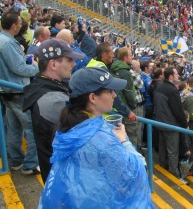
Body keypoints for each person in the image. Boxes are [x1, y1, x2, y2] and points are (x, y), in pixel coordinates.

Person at [39, 67, 153, 208]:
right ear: (92, 98)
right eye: (110, 91)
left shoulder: (69, 125)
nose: (115, 95)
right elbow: (139, 170)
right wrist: (124, 141)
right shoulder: (100, 140)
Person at [23, 38, 83, 183]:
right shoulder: (52, 101)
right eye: (69, 60)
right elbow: (82, 135)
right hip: (62, 180)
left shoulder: (49, 86)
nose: (73, 64)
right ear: (53, 64)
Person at [0, 12, 40, 175]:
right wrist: (36, 66)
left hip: (7, 90)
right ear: (14, 26)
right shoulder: (8, 43)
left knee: (14, 128)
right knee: (32, 128)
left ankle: (16, 160)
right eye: (19, 23)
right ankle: (30, 164)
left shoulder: (4, 40)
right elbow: (20, 69)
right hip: (16, 90)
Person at [153, 67, 188, 178]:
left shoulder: (159, 86)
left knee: (163, 148)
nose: (178, 76)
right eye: (176, 74)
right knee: (173, 151)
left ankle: (163, 168)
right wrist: (184, 124)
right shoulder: (172, 90)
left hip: (160, 122)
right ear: (171, 76)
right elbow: (177, 110)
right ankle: (174, 174)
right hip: (170, 124)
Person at [110, 47, 139, 146]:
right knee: (131, 137)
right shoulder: (125, 72)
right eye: (130, 55)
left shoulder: (113, 67)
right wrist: (133, 107)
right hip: (126, 109)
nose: (132, 58)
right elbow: (129, 92)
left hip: (119, 108)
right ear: (125, 57)